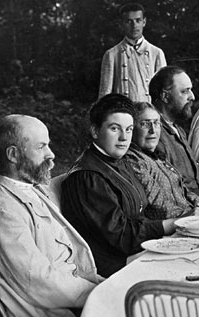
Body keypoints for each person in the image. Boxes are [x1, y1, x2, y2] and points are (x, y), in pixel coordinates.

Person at [0, 115, 102, 317]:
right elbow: (38, 281)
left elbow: (57, 183)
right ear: (13, 155)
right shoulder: (3, 211)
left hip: (72, 298)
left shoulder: (28, 188)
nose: (51, 154)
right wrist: (99, 294)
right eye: (41, 146)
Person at [61, 94, 179, 277]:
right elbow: (121, 236)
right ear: (95, 131)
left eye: (129, 129)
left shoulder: (117, 160)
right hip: (113, 268)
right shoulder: (87, 177)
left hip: (136, 251)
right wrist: (170, 225)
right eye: (115, 129)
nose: (124, 137)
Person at [149, 66, 199, 198]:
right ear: (165, 96)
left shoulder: (177, 129)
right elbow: (169, 188)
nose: (192, 97)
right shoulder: (154, 136)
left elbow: (193, 176)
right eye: (185, 91)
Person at [123, 102, 199, 220]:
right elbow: (158, 206)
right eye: (145, 124)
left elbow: (182, 191)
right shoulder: (133, 160)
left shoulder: (157, 156)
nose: (153, 130)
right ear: (132, 129)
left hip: (187, 218)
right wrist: (192, 214)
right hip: (169, 228)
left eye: (156, 123)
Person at [98, 3, 166, 102]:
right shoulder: (111, 55)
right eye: (129, 21)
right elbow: (105, 93)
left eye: (138, 20)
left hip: (149, 113)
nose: (134, 25)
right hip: (123, 113)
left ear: (144, 22)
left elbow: (163, 91)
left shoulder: (156, 53)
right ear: (122, 24)